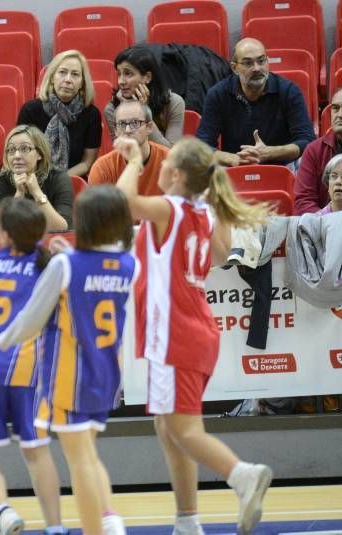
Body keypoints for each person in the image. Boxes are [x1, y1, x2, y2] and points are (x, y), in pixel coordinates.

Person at [114, 135, 273, 535]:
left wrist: (133, 161)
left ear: (176, 174)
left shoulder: (171, 209)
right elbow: (220, 256)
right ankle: (187, 520)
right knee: (168, 427)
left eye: (165, 163)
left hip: (174, 334)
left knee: (182, 429)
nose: (159, 165)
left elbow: (122, 204)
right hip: (196, 329)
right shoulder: (203, 215)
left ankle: (242, 475)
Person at [0, 185, 136, 535]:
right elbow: (93, 270)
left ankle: (96, 529)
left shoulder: (65, 264)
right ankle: (110, 521)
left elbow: (30, 320)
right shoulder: (128, 263)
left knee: (80, 463)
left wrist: (2, 340)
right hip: (106, 372)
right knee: (88, 453)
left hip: (70, 375)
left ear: (84, 221)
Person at [0, 197, 65, 535]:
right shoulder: (52, 266)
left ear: (5, 234)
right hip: (29, 369)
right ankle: (55, 527)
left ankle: (2, 510)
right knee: (37, 451)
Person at [196, 38, 315, 168]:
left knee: (306, 161)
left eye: (261, 60)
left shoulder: (289, 91)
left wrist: (268, 153)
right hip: (234, 167)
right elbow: (202, 145)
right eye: (248, 63)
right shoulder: (218, 94)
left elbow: (307, 141)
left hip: (282, 166)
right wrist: (234, 159)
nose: (257, 68)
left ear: (268, 61)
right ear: (234, 68)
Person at [16, 49, 102, 177]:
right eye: (62, 72)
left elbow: (87, 163)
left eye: (75, 74)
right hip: (33, 179)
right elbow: (20, 154)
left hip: (72, 182)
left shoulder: (91, 114)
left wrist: (59, 182)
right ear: (52, 78)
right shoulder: (30, 110)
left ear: (82, 83)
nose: (68, 79)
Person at [0, 125, 73, 231]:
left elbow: (61, 229)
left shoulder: (59, 178)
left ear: (40, 154)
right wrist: (19, 194)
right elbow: (4, 231)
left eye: (24, 149)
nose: (17, 155)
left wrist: (37, 193)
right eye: (11, 150)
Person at [105, 45, 185, 148]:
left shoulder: (173, 102)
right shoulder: (112, 109)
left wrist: (144, 111)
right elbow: (123, 151)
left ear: (147, 77)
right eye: (119, 74)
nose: (121, 82)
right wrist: (128, 111)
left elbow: (171, 153)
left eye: (128, 74)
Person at [89, 101, 168, 196]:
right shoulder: (102, 168)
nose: (128, 130)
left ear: (149, 127)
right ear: (116, 131)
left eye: (135, 123)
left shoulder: (169, 160)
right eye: (122, 124)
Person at [295, 88, 342, 214]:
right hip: (323, 229)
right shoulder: (314, 151)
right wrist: (328, 223)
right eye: (335, 108)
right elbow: (303, 202)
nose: (339, 115)